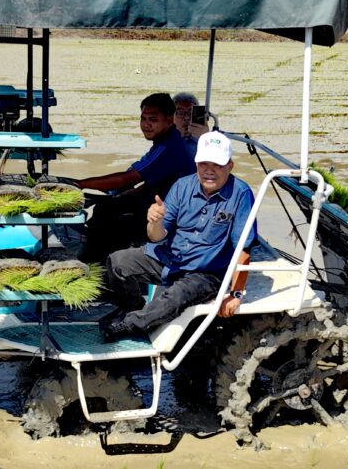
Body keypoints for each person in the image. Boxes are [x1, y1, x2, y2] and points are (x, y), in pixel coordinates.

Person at [100, 131, 256, 342]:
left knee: (175, 296)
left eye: (217, 165)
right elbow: (157, 237)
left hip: (205, 272)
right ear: (196, 163)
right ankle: (131, 307)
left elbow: (243, 250)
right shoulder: (182, 186)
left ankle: (129, 325)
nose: (209, 171)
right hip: (169, 258)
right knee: (117, 262)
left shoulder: (241, 193)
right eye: (204, 164)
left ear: (230, 165)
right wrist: (154, 222)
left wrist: (236, 294)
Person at [71, 93, 196, 262]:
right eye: (143, 118)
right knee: (105, 206)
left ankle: (98, 268)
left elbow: (128, 178)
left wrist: (80, 183)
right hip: (155, 203)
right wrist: (118, 193)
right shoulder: (165, 141)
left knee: (107, 218)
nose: (146, 124)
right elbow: (146, 177)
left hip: (167, 217)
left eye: (153, 119)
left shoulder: (169, 148)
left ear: (169, 119)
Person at [172, 92, 209, 158]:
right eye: (180, 113)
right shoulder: (164, 142)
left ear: (198, 115)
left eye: (191, 113)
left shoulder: (208, 141)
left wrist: (206, 138)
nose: (186, 118)